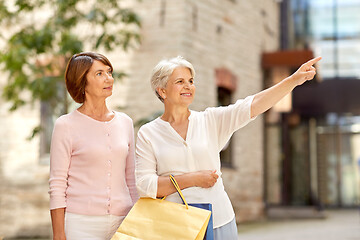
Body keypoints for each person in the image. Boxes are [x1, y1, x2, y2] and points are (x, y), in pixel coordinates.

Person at [135, 56, 321, 239]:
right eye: (180, 81)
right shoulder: (149, 133)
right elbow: (145, 186)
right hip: (174, 226)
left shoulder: (211, 120)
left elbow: (253, 104)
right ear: (162, 91)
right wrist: (193, 179)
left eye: (191, 81)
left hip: (219, 220)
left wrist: (293, 80)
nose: (188, 86)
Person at [49, 52, 138, 240]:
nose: (109, 79)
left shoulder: (125, 122)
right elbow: (57, 184)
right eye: (99, 74)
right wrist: (58, 234)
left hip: (124, 221)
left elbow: (131, 179)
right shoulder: (66, 125)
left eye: (109, 72)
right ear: (83, 82)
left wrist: (138, 221)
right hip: (81, 225)